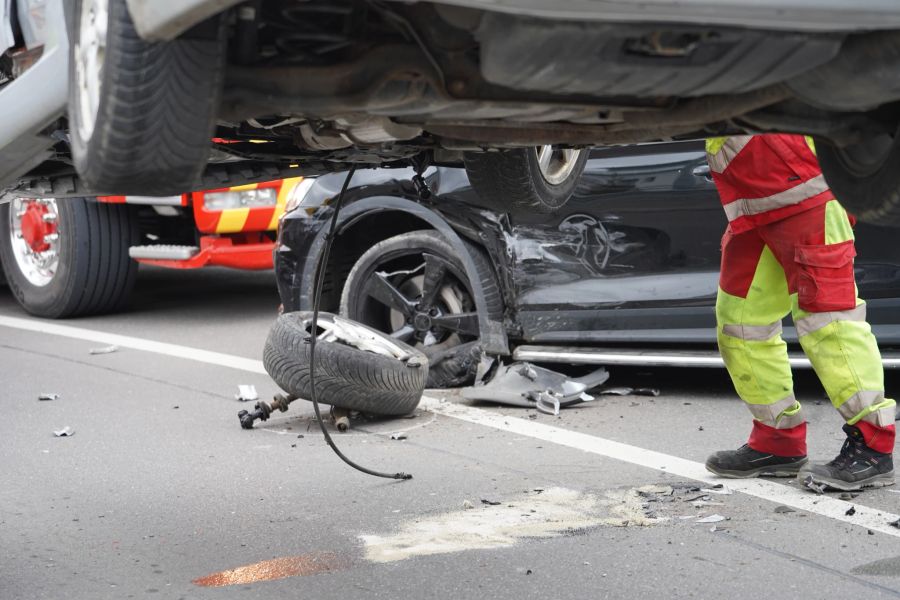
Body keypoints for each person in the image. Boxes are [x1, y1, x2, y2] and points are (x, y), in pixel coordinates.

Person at [703, 134, 895, 491]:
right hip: (751, 206)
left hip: (807, 193)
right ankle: (777, 442)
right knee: (740, 327)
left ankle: (873, 446)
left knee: (830, 324)